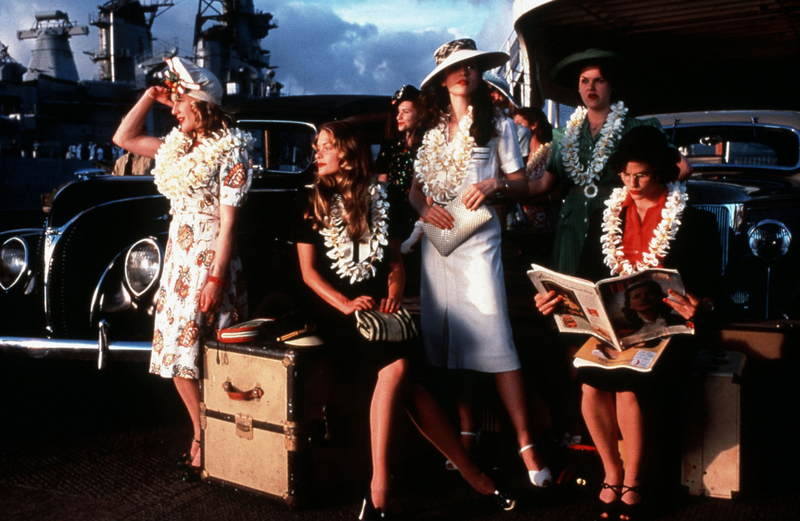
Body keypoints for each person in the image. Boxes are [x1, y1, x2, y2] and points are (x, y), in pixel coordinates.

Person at [296, 121, 516, 519]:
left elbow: (395, 261)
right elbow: (309, 274)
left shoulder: (386, 196)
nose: (318, 153)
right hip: (335, 311)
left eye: (325, 146)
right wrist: (345, 304)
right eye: (317, 146)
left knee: (407, 382)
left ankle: (466, 475)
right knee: (398, 368)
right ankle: (385, 483)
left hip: (380, 307)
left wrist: (394, 294)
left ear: (347, 151)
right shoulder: (310, 198)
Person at [535, 126, 720, 520]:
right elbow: (588, 278)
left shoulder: (695, 221)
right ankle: (611, 472)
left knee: (625, 384)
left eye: (642, 175)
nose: (631, 183)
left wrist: (698, 305)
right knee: (587, 378)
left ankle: (634, 480)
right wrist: (557, 298)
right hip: (617, 327)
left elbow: (712, 289)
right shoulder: (610, 215)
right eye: (624, 174)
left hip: (667, 328)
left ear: (663, 173)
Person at [409, 38, 551, 488]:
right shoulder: (430, 132)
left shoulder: (501, 126)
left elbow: (523, 185)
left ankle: (526, 442)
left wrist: (493, 186)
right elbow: (415, 189)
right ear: (443, 80)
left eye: (470, 66)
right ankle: (466, 431)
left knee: (496, 337)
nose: (464, 74)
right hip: (439, 245)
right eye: (456, 68)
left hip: (480, 241)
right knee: (452, 343)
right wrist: (422, 209)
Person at [113, 57, 253, 482]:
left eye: (180, 102)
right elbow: (124, 137)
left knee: (206, 354)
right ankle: (201, 431)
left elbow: (230, 222)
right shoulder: (177, 147)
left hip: (210, 259)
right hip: (178, 258)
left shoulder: (233, 149)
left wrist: (215, 278)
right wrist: (150, 96)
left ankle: (216, 438)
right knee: (176, 354)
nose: (173, 110)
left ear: (202, 104)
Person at [528, 49, 692, 276]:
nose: (590, 87)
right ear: (578, 87)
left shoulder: (636, 127)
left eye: (599, 81)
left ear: (611, 85)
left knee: (609, 290)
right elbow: (543, 185)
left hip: (614, 223)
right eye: (584, 81)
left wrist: (637, 195)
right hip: (571, 227)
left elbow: (682, 168)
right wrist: (500, 186)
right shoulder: (562, 134)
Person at [514, 106, 560, 231]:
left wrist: (522, 197)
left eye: (519, 124)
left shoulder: (551, 153)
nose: (515, 129)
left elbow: (557, 194)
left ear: (534, 124)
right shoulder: (517, 156)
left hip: (543, 224)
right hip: (518, 223)